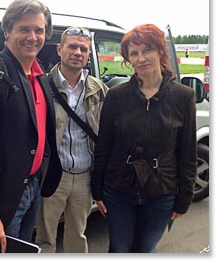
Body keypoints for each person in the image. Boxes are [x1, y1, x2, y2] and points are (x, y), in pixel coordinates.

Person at [0, 0, 62, 253]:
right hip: (3, 198)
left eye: (39, 30)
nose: (33, 37)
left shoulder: (41, 77)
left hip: (31, 189)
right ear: (7, 31)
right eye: (24, 29)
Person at [92, 24, 197, 253]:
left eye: (146, 50)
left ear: (160, 51)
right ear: (128, 59)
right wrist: (97, 189)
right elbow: (104, 145)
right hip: (118, 188)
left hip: (162, 192)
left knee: (145, 249)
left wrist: (184, 197)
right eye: (134, 53)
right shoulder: (116, 96)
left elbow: (188, 152)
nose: (141, 58)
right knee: (119, 248)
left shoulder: (183, 96)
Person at [35, 27, 108, 253]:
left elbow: (107, 133)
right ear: (59, 49)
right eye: (72, 46)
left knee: (77, 235)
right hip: (54, 174)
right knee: (45, 237)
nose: (78, 52)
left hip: (86, 176)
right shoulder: (42, 86)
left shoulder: (99, 90)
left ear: (88, 55)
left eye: (83, 49)